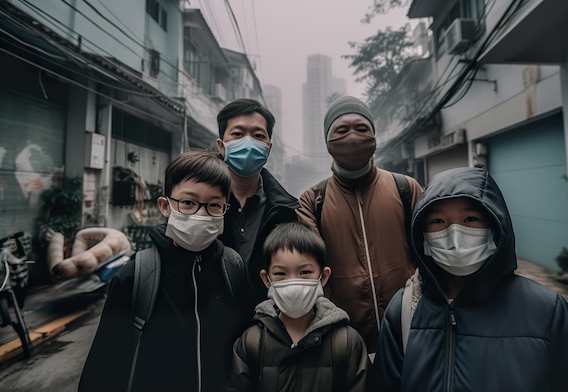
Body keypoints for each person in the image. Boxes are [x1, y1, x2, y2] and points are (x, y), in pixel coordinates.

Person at [369, 166, 568, 392]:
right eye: (438, 221)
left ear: (495, 225)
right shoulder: (403, 311)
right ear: (421, 234)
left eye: (470, 219)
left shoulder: (546, 310)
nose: (454, 235)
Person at [79, 150, 255, 392]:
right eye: (188, 203)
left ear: (225, 208)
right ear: (165, 206)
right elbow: (105, 364)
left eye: (214, 205)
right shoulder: (136, 276)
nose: (200, 214)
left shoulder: (232, 268)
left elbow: (249, 346)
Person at [297, 95, 423, 353]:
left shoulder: (405, 188)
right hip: (345, 340)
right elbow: (310, 271)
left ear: (374, 136)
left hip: (408, 330)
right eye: (342, 130)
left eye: (362, 128)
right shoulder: (312, 200)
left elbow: (428, 252)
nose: (352, 136)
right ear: (328, 142)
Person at [227, 221, 369, 392]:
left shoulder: (346, 342)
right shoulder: (251, 343)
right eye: (281, 274)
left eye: (305, 273)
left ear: (323, 276)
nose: (293, 284)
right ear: (266, 279)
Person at [216, 98, 300, 303]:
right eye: (237, 134)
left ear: (268, 148)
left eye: (258, 135)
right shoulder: (195, 204)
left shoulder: (288, 211)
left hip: (265, 325)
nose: (248, 142)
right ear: (222, 145)